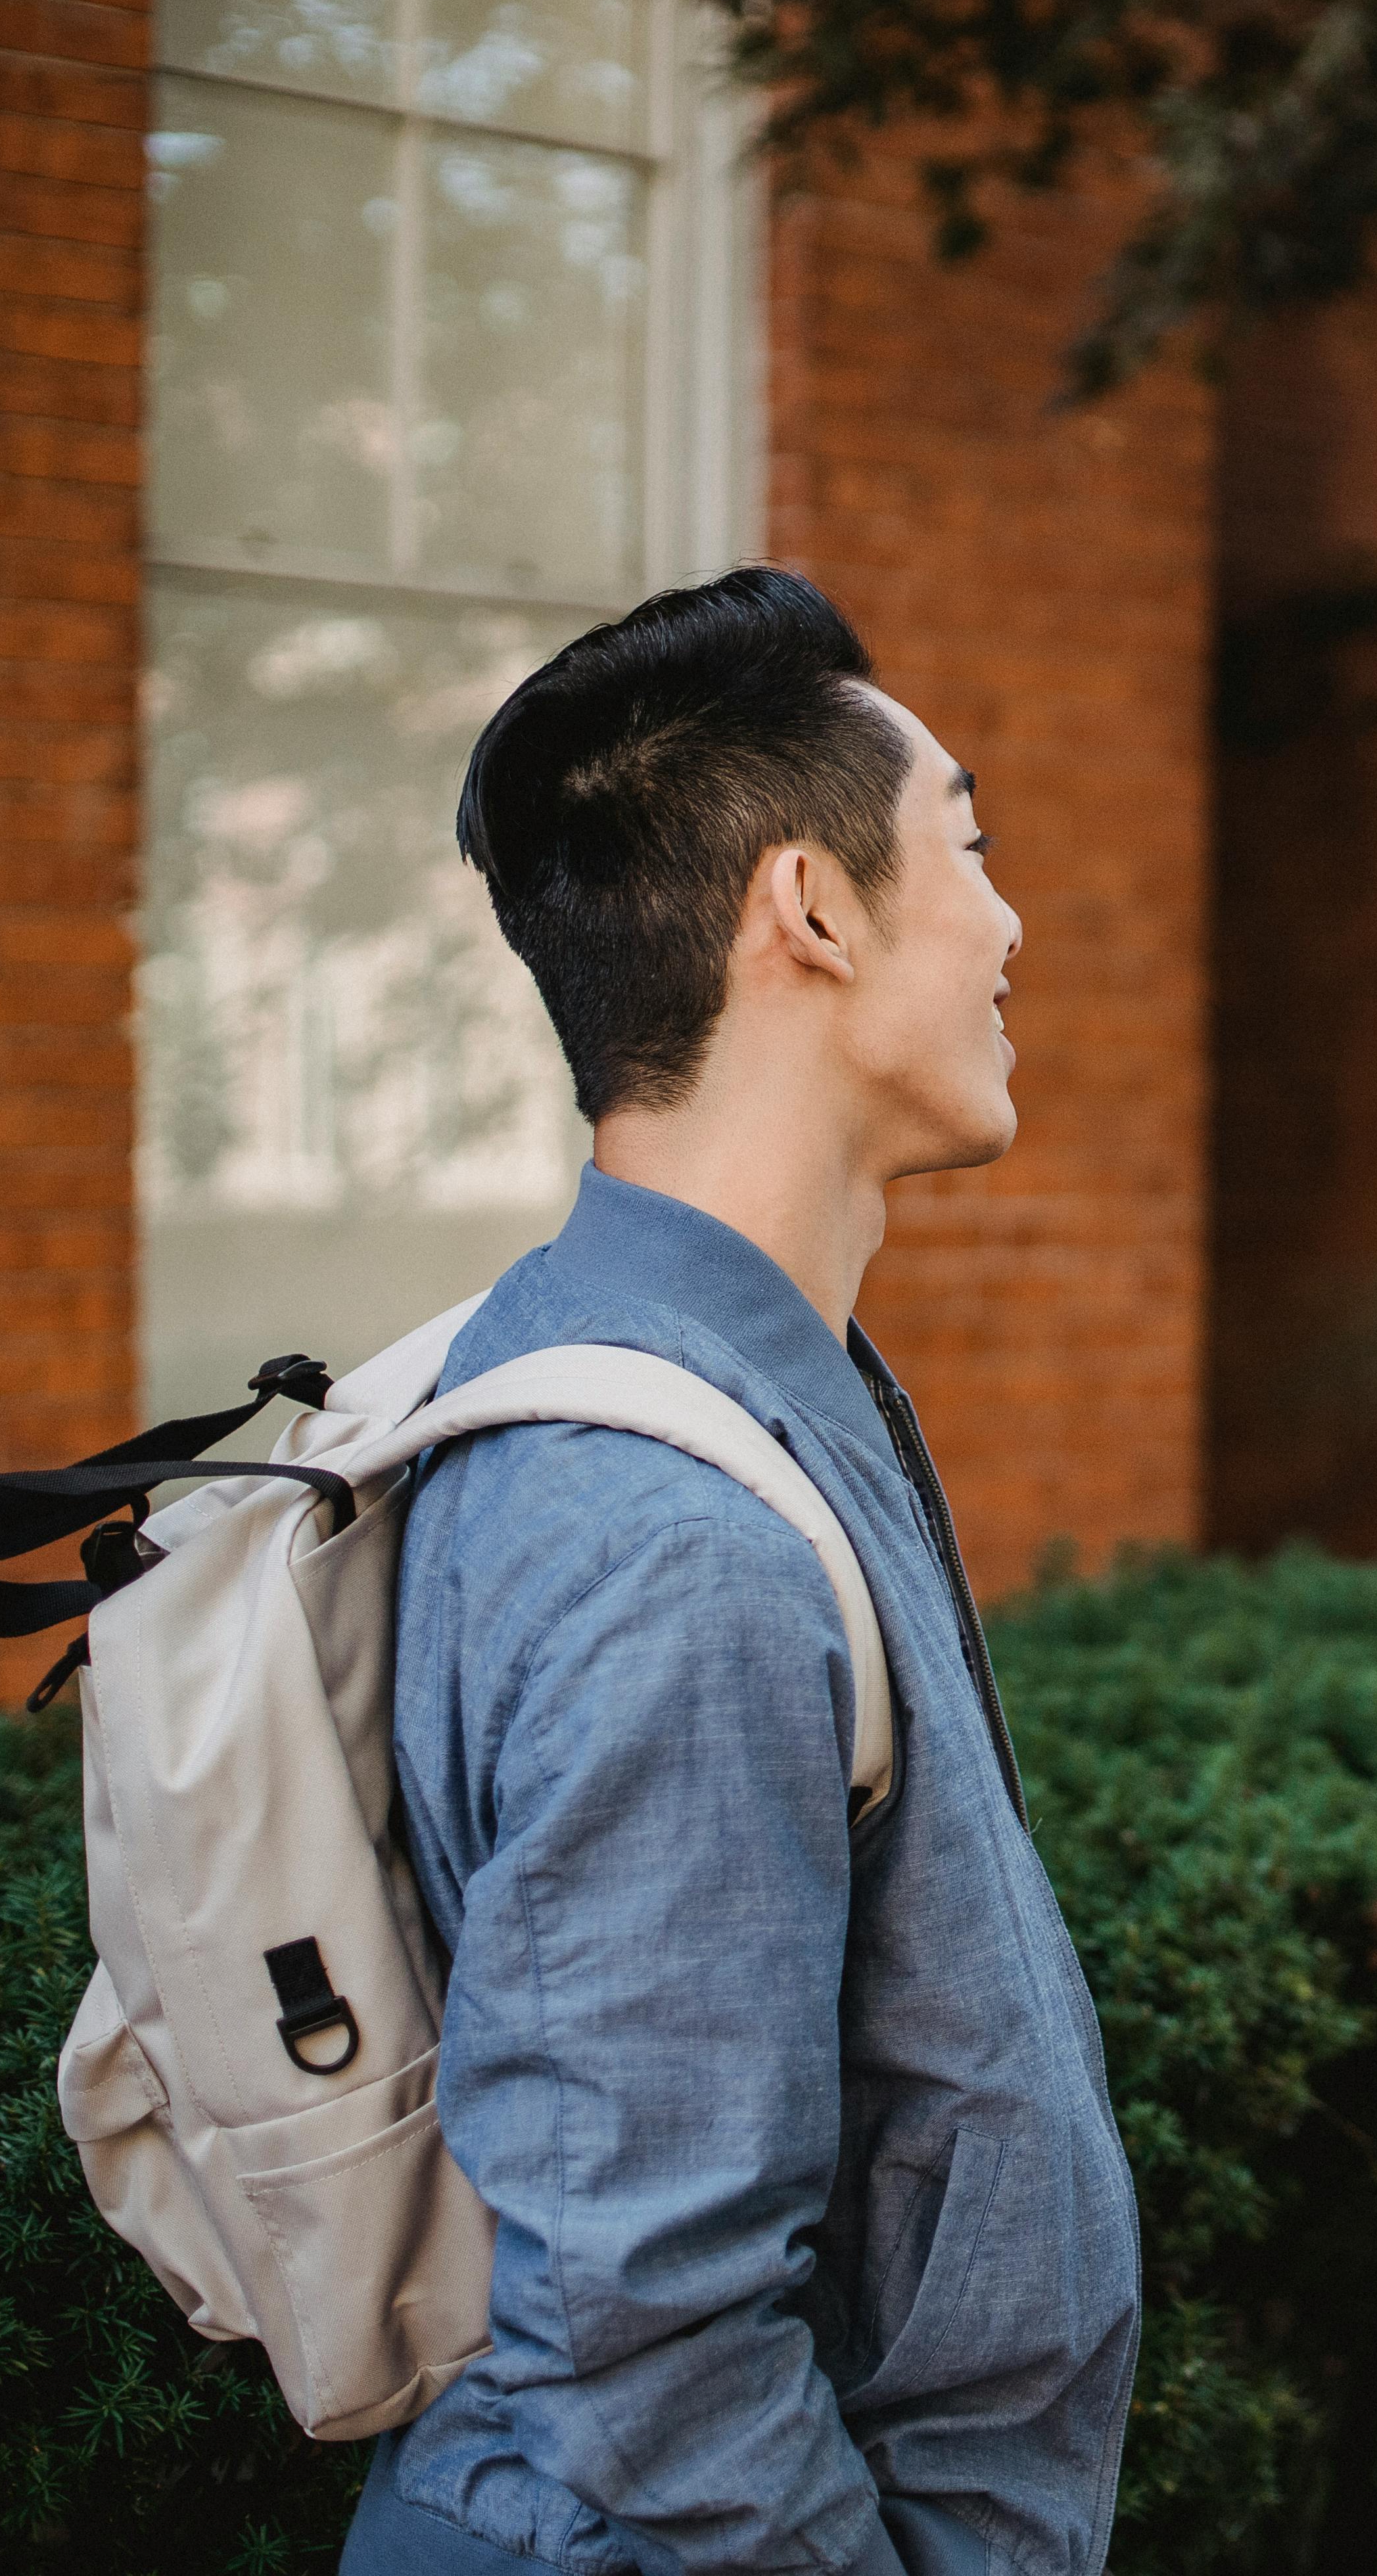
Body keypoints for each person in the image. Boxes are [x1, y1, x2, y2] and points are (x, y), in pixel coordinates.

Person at [343, 569, 1140, 2575]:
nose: (1011, 919)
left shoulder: (700, 1386)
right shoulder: (665, 1533)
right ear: (811, 909)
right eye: (968, 843)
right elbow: (653, 2348)